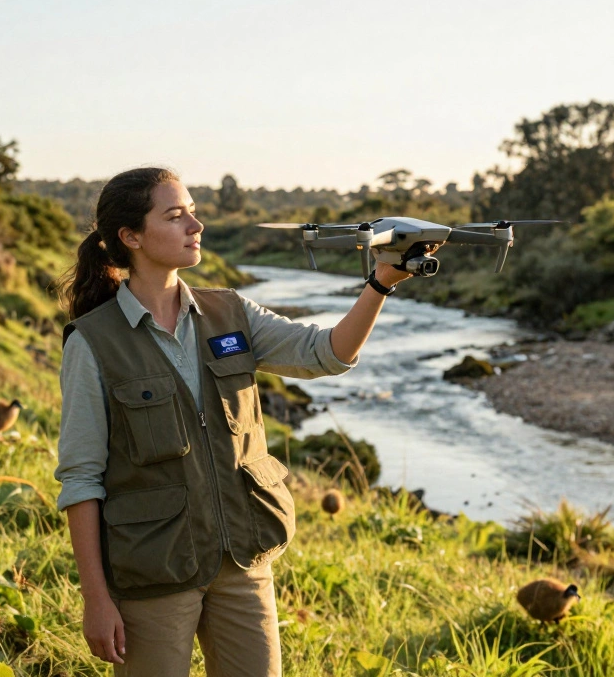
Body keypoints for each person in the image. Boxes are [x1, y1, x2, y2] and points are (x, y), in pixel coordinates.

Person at [54, 166, 419, 676]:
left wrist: (381, 283)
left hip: (244, 560)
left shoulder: (231, 313)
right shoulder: (92, 342)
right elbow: (81, 478)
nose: (195, 226)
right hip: (154, 571)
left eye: (194, 212)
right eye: (176, 215)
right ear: (130, 236)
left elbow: (327, 353)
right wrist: (96, 599)